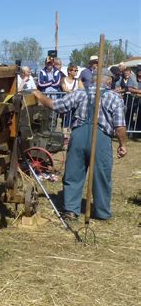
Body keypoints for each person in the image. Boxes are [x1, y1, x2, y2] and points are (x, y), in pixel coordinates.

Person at [32, 68, 127, 221]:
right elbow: (120, 127)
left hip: (78, 137)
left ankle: (71, 210)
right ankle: (102, 212)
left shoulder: (79, 93)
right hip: (101, 139)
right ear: (108, 81)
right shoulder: (114, 98)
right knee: (101, 175)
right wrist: (122, 144)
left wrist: (39, 95)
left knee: (73, 174)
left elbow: (55, 105)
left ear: (93, 80)